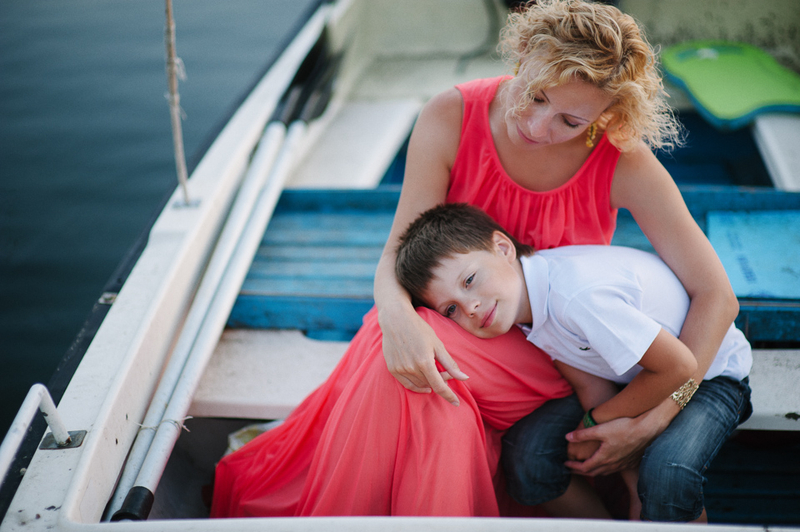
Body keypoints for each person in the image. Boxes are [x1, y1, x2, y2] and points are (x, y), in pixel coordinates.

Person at [211, 0, 740, 518]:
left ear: (604, 116)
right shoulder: (450, 115)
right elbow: (398, 251)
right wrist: (397, 321)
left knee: (421, 375)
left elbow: (716, 294)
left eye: (569, 121)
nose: (537, 126)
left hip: (553, 342)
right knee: (403, 358)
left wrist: (661, 414)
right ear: (524, 54)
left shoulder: (621, 159)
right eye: (534, 95)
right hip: (455, 312)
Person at [394, 202, 753, 521]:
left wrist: (595, 421)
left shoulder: (575, 297)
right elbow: (589, 384)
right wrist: (629, 481)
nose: (470, 307)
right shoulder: (528, 310)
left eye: (470, 280)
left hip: (711, 375)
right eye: (450, 310)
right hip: (639, 378)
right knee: (528, 454)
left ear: (502, 248)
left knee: (667, 472)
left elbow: (681, 367)